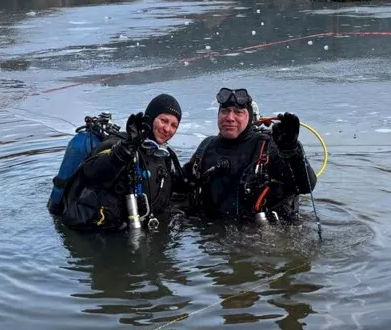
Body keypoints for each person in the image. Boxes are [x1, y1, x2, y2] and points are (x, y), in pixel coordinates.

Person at [53, 94, 184, 232]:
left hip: (136, 230)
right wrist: (122, 152)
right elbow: (91, 172)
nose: (167, 129)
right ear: (150, 118)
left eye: (174, 125)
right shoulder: (119, 143)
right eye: (164, 121)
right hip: (100, 234)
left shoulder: (164, 157)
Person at [183, 87, 315, 223]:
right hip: (212, 234)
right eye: (224, 111)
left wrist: (292, 151)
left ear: (250, 117)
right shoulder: (207, 146)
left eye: (238, 112)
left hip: (261, 235)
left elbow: (306, 186)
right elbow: (181, 186)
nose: (230, 118)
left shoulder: (268, 145)